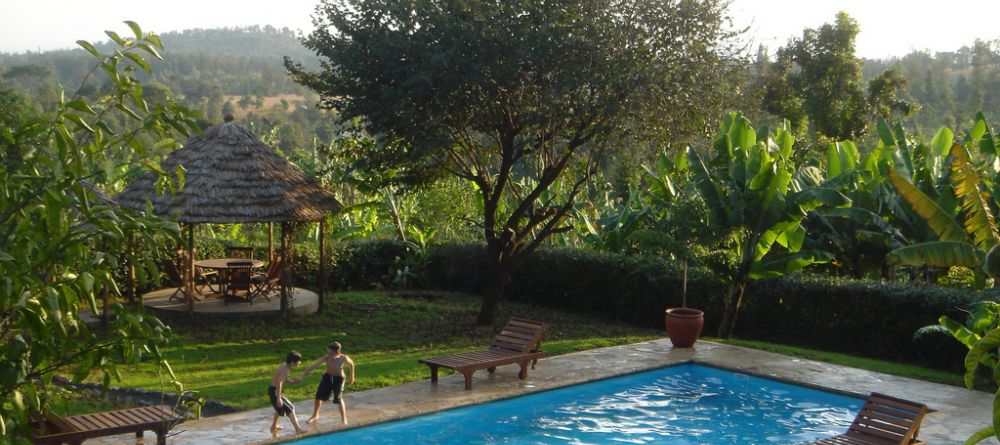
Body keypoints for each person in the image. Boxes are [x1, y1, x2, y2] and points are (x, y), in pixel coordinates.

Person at [300, 341, 355, 425]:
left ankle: (344, 419)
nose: (328, 354)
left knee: (338, 398)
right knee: (318, 396)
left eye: (330, 353)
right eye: (327, 352)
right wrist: (303, 375)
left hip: (339, 379)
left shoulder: (343, 358)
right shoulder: (326, 357)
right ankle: (315, 415)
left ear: (338, 353)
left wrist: (352, 376)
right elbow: (314, 366)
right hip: (328, 377)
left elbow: (351, 364)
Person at [269, 351, 308, 437]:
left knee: (279, 409)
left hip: (274, 390)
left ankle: (274, 426)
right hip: (275, 391)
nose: (299, 363)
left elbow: (284, 379)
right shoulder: (285, 369)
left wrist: (294, 381)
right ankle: (298, 429)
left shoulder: (285, 366)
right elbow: (279, 382)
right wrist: (279, 398)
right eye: (298, 361)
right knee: (290, 408)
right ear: (293, 362)